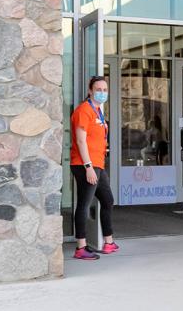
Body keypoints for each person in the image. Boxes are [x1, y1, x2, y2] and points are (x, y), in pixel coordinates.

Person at [70, 76, 119, 259]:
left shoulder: (98, 111)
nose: (102, 92)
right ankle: (81, 247)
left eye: (105, 90)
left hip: (98, 164)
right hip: (85, 165)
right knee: (84, 204)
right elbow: (81, 140)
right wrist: (88, 166)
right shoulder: (84, 110)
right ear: (90, 91)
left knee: (107, 200)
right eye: (98, 89)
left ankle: (109, 242)